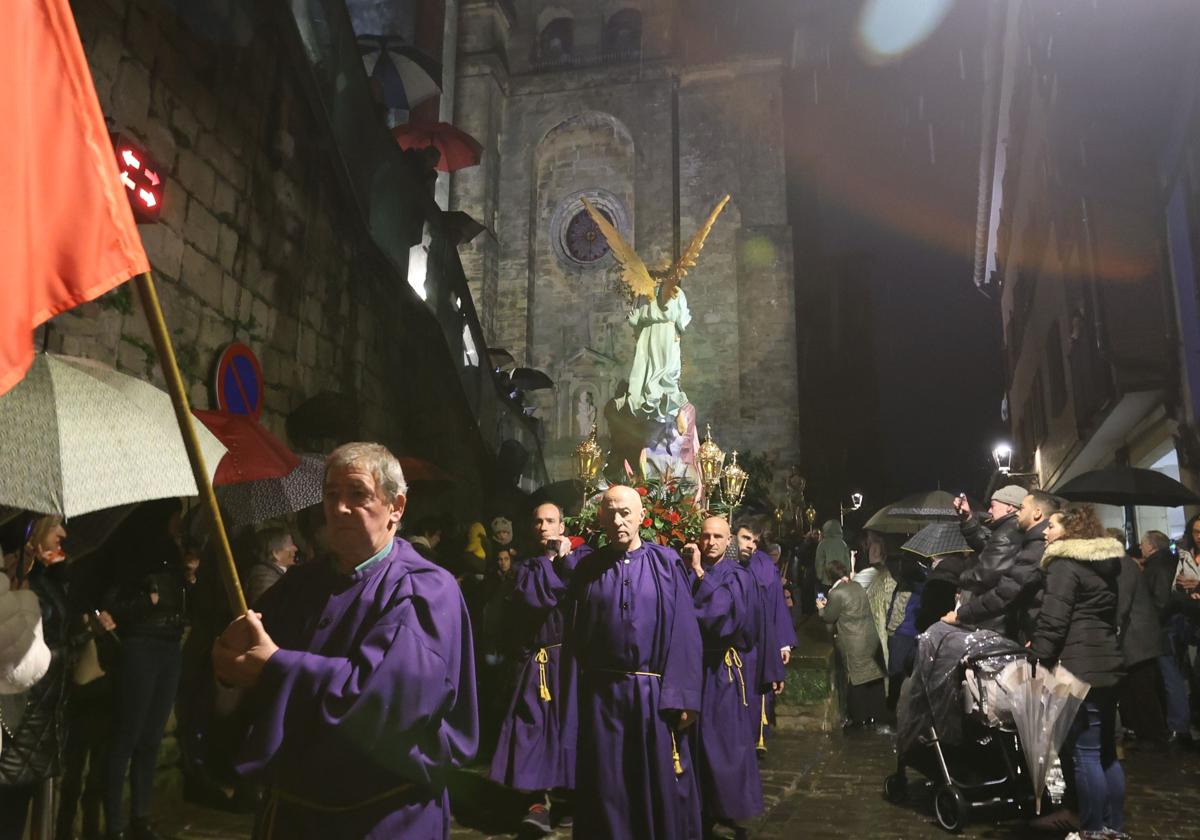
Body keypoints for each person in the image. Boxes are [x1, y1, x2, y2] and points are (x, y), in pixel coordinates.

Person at [212, 442, 478, 839]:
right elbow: (244, 664)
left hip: (382, 815)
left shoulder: (425, 591)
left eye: (358, 494)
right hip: (294, 813)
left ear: (396, 506)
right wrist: (226, 665)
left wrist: (274, 666)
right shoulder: (299, 585)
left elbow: (386, 699)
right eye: (331, 495)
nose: (339, 508)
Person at [557, 485, 702, 839]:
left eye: (626, 513)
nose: (618, 521)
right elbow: (574, 640)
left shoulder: (666, 565)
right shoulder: (587, 568)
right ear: (601, 518)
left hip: (651, 699)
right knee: (606, 785)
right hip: (601, 699)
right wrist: (572, 704)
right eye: (611, 513)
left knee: (652, 783)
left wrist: (682, 698)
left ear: (641, 517)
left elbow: (684, 632)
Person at [1031, 507, 1126, 839]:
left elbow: (1054, 621)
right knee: (1107, 753)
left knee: (1084, 753)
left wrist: (1038, 659)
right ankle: (1114, 827)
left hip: (1078, 668)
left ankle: (1092, 829)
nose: (1045, 531)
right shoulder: (1106, 564)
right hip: (1108, 664)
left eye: (1051, 526)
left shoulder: (1064, 565)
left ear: (1069, 531)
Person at [102, 499, 188, 840]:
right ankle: (115, 824)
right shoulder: (131, 555)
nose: (178, 525)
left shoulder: (172, 553)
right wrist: (144, 602)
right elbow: (112, 605)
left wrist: (187, 582)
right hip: (142, 646)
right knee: (128, 734)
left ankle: (141, 816)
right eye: (174, 518)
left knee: (152, 737)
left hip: (169, 644)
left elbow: (177, 601)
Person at [489, 503, 576, 835]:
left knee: (567, 727)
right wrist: (551, 561)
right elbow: (533, 600)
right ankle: (536, 802)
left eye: (550, 521)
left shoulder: (576, 560)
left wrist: (564, 560)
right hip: (536, 661)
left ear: (562, 525)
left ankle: (568, 796)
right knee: (532, 727)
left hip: (568, 660)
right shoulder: (524, 566)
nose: (543, 527)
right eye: (538, 521)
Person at [0, 516, 85, 840]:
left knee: (21, 809)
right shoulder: (14, 577)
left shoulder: (46, 576)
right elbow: (22, 657)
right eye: (54, 527)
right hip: (17, 716)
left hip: (40, 715)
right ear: (30, 533)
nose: (64, 533)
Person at [685, 517, 762, 838]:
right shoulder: (689, 571)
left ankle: (725, 812)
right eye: (706, 536)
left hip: (723, 673)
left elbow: (721, 618)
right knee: (697, 745)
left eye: (718, 536)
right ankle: (700, 811)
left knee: (722, 744)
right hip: (696, 669)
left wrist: (701, 575)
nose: (711, 542)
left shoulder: (736, 576)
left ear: (728, 539)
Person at [948, 488, 1059, 640]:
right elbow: (990, 547)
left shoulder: (1020, 535)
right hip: (1014, 626)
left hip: (1001, 625)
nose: (1019, 513)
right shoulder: (1021, 534)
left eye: (1022, 508)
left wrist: (961, 613)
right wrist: (968, 519)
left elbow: (1002, 587)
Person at [734, 524, 792, 754]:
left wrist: (783, 642)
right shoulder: (722, 561)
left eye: (755, 541)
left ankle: (755, 738)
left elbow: (777, 601)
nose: (750, 545)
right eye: (745, 538)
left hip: (759, 642)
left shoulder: (765, 565)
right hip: (730, 645)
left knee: (757, 694)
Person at [1111, 529, 1167, 744]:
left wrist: (1113, 624)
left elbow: (1122, 602)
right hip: (1137, 638)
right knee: (1140, 690)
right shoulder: (1125, 563)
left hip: (1137, 639)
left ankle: (1154, 738)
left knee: (1143, 691)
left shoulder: (1123, 564)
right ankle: (1148, 735)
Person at [817, 559, 886, 730]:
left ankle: (859, 719)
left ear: (830, 576)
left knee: (857, 680)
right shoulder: (857, 586)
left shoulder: (837, 593)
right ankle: (874, 716)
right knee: (872, 678)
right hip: (870, 638)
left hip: (854, 641)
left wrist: (820, 607)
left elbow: (829, 617)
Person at [1141, 528, 1192, 741]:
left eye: (1143, 544)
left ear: (1151, 546)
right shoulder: (1165, 563)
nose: (1140, 547)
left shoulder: (1157, 567)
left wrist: (1152, 623)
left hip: (1165, 629)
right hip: (1171, 626)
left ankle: (1179, 726)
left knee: (1172, 677)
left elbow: (1161, 601)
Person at [243, 527, 298, 607]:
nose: (295, 548)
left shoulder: (276, 573)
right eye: (290, 544)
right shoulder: (263, 578)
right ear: (276, 554)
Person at [814, 519, 850, 590]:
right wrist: (847, 575)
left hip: (827, 580)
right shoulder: (843, 544)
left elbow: (819, 562)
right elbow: (847, 562)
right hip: (841, 579)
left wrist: (819, 576)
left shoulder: (822, 544)